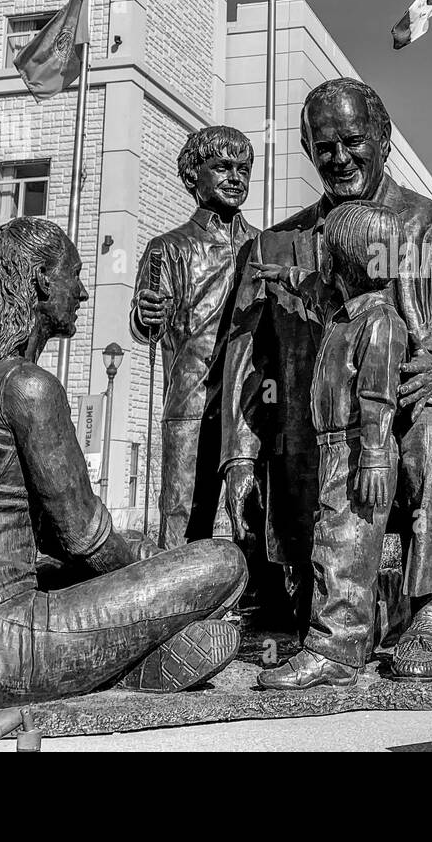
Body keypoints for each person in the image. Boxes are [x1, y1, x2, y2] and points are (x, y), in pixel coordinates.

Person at [0, 217, 247, 708]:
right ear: (40, 281)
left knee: (140, 550)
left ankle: (141, 662)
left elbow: (51, 538)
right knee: (221, 562)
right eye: (73, 276)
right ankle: (136, 666)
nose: (80, 292)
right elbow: (85, 539)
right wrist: (159, 569)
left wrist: (142, 559)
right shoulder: (26, 386)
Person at [221, 77, 432, 686]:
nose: (340, 158)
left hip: (412, 408)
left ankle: (426, 611)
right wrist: (238, 459)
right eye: (325, 147)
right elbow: (250, 361)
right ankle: (343, 615)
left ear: (383, 139)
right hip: (312, 425)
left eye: (353, 141)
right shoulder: (280, 243)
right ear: (307, 149)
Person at [250, 202, 409, 687]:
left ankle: (335, 651)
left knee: (344, 546)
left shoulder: (379, 322)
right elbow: (310, 287)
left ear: (342, 261)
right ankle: (342, 640)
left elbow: (378, 396)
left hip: (362, 449)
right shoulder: (344, 310)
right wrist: (281, 276)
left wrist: (376, 456)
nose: (321, 264)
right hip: (337, 448)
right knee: (331, 541)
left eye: (327, 254)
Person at [131, 125, 259, 549]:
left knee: (255, 512)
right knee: (185, 518)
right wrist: (145, 314)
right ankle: (181, 608)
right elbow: (146, 321)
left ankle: (256, 602)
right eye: (222, 167)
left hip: (251, 400)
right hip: (192, 397)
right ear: (192, 176)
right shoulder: (167, 248)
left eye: (243, 168)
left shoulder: (264, 247)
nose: (235, 177)